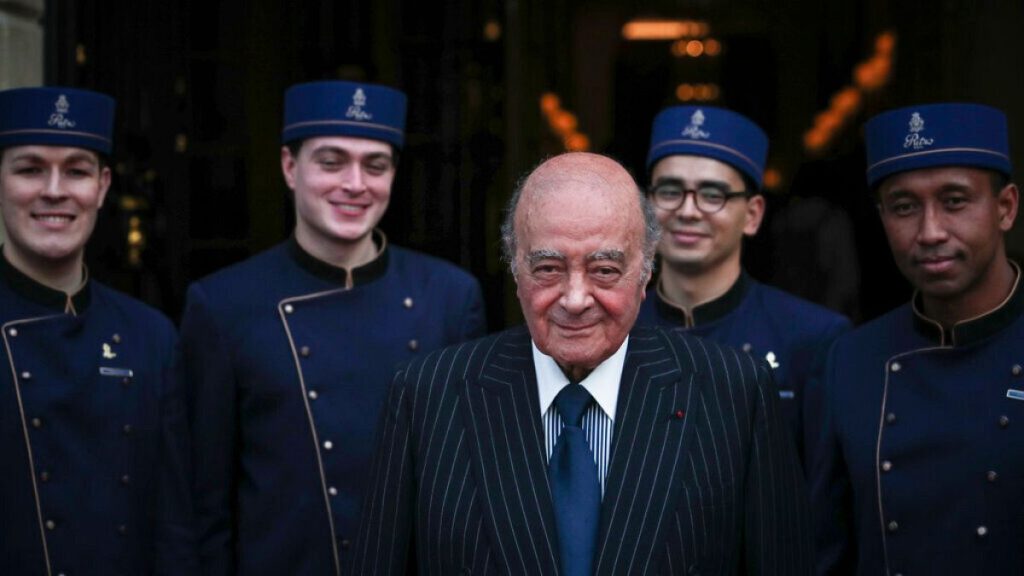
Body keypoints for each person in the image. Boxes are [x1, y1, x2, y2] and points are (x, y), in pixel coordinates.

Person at [351, 152, 812, 575]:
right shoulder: (427, 396)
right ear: (515, 269)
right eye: (548, 268)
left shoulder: (733, 393)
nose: (574, 299)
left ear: (646, 271)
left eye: (605, 270)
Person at [178, 80, 486, 576]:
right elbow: (203, 504)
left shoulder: (449, 297)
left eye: (375, 165)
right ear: (288, 167)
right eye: (331, 161)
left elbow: (471, 490)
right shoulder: (223, 305)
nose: (355, 183)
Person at [811, 103, 1023, 575]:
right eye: (905, 207)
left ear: (1005, 208)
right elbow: (828, 546)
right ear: (882, 215)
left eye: (955, 201)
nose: (929, 232)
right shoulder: (851, 359)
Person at [0, 86, 195, 575]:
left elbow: (174, 524)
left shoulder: (152, 337)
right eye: (29, 169)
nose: (54, 190)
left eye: (77, 170)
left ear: (103, 186)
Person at [637, 106, 851, 461]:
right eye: (670, 191)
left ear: (752, 215)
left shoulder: (812, 338)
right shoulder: (616, 331)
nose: (688, 211)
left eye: (712, 195)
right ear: (647, 205)